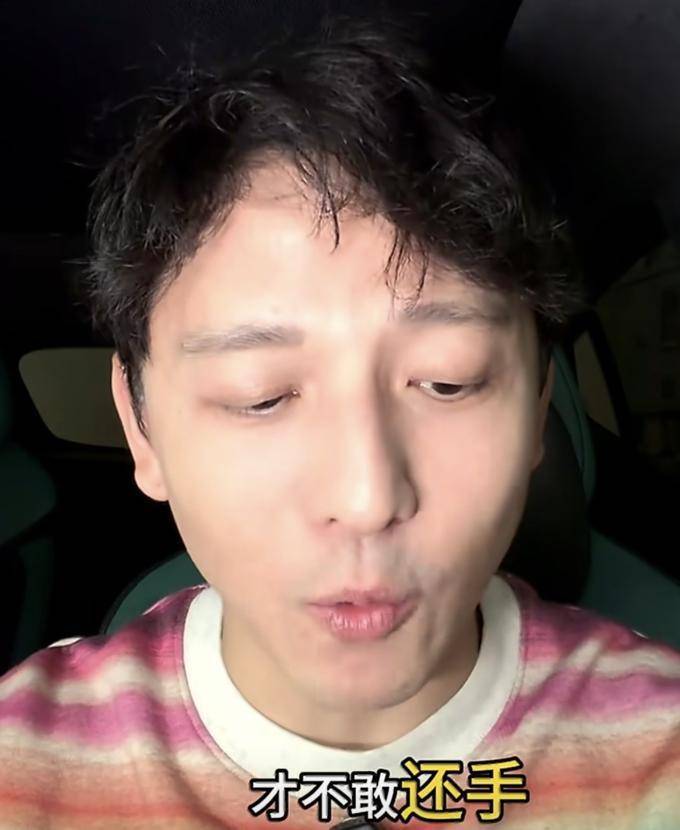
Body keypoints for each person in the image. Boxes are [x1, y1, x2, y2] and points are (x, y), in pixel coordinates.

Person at [1, 15, 679, 830]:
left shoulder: (659, 748)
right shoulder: (24, 763)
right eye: (261, 396)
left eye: (449, 381)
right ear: (140, 427)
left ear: (539, 409)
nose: (366, 498)